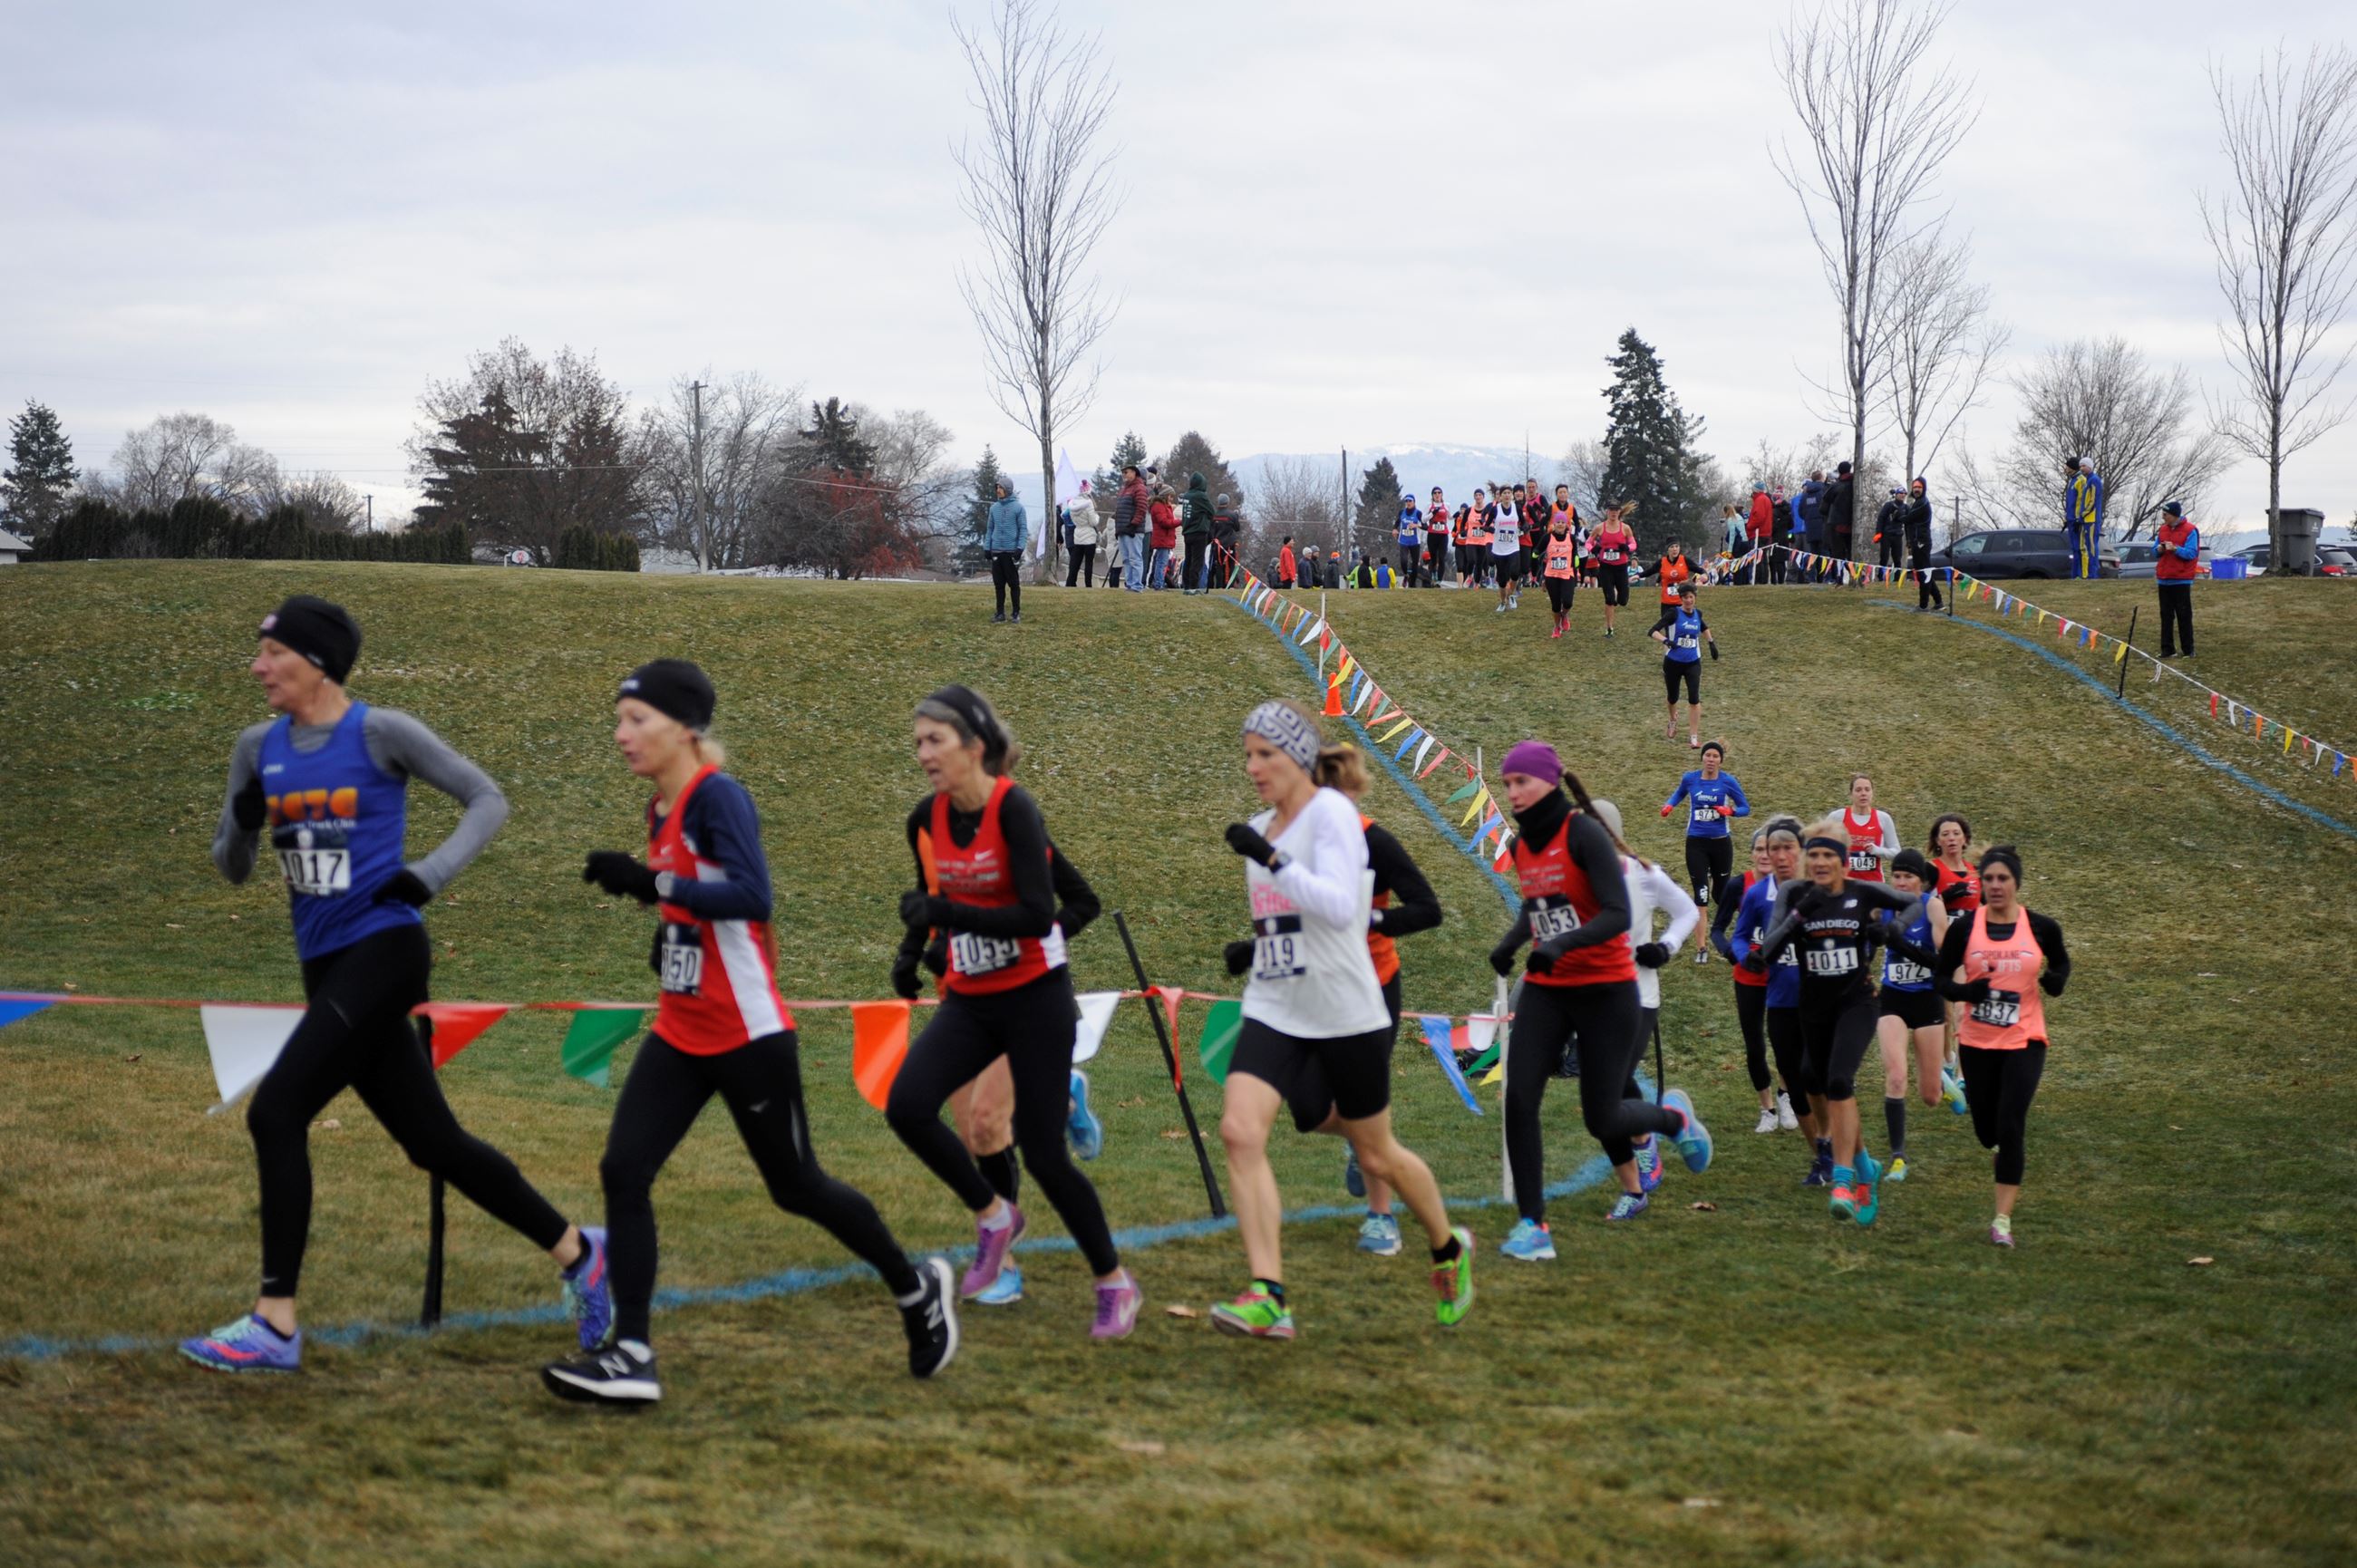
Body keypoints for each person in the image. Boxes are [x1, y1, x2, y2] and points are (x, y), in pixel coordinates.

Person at [183, 595, 611, 1377]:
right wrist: (243, 821)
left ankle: (275, 1323)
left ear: (315, 661)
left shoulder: (381, 733)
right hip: (324, 966)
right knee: (433, 1143)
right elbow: (231, 867)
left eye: (271, 652)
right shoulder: (257, 747)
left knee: (277, 1111)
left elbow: (488, 799)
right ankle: (582, 1254)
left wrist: (429, 875)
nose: (257, 667)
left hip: (384, 949)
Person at [546, 662, 955, 1401]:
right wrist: (664, 929)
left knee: (797, 1186)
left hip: (747, 1033)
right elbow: (691, 906)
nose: (621, 734)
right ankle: (630, 1352)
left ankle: (915, 1285)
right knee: (623, 1169)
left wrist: (653, 885)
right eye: (619, 719)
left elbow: (751, 895)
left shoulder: (716, 797)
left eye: (637, 720)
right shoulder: (659, 808)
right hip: (681, 1029)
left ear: (684, 729)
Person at [883, 686, 1141, 1335]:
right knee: (908, 1106)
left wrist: (946, 916)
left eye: (934, 741)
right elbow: (928, 889)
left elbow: (1034, 914)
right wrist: (911, 952)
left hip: (1034, 1000)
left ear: (973, 747)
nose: (922, 754)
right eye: (917, 742)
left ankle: (1113, 1280)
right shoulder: (926, 817)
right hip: (969, 1001)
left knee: (1043, 1155)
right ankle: (995, 1214)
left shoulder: (1014, 810)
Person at [1212, 701, 1474, 1337]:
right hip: (1277, 1002)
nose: (1253, 767)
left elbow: (1338, 910)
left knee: (1377, 1154)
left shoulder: (1332, 815)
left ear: (1299, 755)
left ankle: (1446, 1247)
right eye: (1247, 754)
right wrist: (1256, 948)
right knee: (1240, 1132)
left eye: (1265, 754)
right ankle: (1268, 1293)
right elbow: (1289, 920)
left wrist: (1273, 861)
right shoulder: (1259, 827)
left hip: (1346, 1006)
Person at [1489, 741, 1712, 1254]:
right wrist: (1511, 943)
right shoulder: (1524, 846)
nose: (1512, 792)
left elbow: (1614, 913)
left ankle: (1674, 1121)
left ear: (1548, 781)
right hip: (1550, 988)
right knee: (1520, 1098)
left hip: (1608, 991)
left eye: (1521, 781)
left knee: (1603, 1116)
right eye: (1506, 784)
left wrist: (1563, 943)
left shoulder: (1584, 834)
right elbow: (1537, 907)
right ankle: (1533, 1227)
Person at [1222, 762, 1443, 1257]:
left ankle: (1381, 1217)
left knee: (1365, 1130)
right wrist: (1252, 950)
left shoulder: (1372, 841)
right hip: (1304, 989)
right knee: (1309, 1111)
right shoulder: (1283, 843)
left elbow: (1429, 909)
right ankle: (1361, 1134)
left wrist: (1367, 918)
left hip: (1368, 989)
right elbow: (1293, 921)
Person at [1760, 817, 1926, 1226]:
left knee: (1838, 1081)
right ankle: (1865, 1162)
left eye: (1828, 852)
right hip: (1812, 1004)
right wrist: (1800, 916)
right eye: (1813, 852)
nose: (1819, 860)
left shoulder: (1861, 891)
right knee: (1814, 1080)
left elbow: (1914, 902)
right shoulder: (1794, 892)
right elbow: (1770, 939)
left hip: (1857, 1001)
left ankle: (1847, 1178)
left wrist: (1891, 930)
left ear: (1844, 859)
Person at [1923, 847, 2071, 1247]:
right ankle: (1999, 1151)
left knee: (2011, 1124)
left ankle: (2002, 1220)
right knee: (1987, 1131)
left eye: (2003, 879)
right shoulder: (1965, 928)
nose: (1995, 886)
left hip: (2025, 1037)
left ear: (2017, 883)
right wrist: (1965, 990)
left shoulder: (2040, 927)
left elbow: (2060, 963)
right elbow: (1939, 980)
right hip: (1977, 1040)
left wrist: (2056, 981)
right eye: (1988, 879)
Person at [1588, 798, 1699, 1206]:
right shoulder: (1576, 878)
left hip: (1638, 996)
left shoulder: (1642, 874)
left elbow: (1687, 912)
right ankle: (1637, 1169)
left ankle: (1649, 1140)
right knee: (1602, 1088)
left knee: (1611, 1083)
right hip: (1593, 999)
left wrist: (1665, 947)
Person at [1732, 818, 1823, 1173]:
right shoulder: (1757, 893)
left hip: (1817, 1000)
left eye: (1789, 849)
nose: (1782, 856)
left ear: (1800, 852)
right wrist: (1747, 958)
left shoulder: (1816, 888)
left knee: (1819, 1078)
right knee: (1796, 1082)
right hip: (1780, 999)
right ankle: (1821, 1155)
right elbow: (1739, 935)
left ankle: (1837, 1143)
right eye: (1774, 849)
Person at [1868, 848, 1952, 1187]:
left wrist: (1902, 945)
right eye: (1897, 876)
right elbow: (1866, 938)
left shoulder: (1933, 906)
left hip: (1928, 1001)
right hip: (1893, 1000)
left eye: (1908, 877)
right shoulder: (1884, 903)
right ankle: (1898, 1157)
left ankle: (1943, 1083)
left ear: (1922, 880)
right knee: (1897, 1077)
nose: (1901, 882)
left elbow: (1942, 962)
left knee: (1929, 1096)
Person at [1711, 831, 1791, 1133]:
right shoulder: (1739, 885)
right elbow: (1718, 929)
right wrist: (1733, 953)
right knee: (1755, 1044)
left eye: (1769, 850)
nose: (1764, 855)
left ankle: (1786, 1096)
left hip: (1783, 975)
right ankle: (1767, 1108)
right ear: (1752, 854)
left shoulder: (1790, 885)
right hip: (1748, 977)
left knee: (1786, 1041)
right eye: (1758, 849)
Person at [1661, 740, 1750, 921]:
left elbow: (1745, 808)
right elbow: (1679, 793)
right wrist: (1670, 805)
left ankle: (1747, 918)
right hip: (1696, 842)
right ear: (1702, 758)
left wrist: (1731, 811)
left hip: (1720, 843)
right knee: (1701, 893)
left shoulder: (1728, 781)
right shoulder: (1690, 779)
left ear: (1720, 761)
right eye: (1707, 755)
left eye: (1715, 756)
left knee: (1720, 894)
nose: (1711, 759)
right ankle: (1702, 947)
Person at [1926, 814, 1979, 1111]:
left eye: (1956, 833)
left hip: (1967, 947)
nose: (1950, 838)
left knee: (1962, 1011)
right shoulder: (1932, 870)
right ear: (1937, 840)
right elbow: (1920, 903)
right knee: (1943, 1014)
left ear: (1965, 839)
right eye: (1944, 834)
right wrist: (1945, 897)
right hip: (1939, 944)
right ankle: (1946, 1061)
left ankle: (1961, 1077)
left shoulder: (1975, 872)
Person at [1649, 584, 1718, 749]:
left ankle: (1694, 737)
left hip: (1693, 662)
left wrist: (1711, 643)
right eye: (1685, 597)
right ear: (1681, 599)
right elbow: (1652, 631)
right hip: (1673, 662)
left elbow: (1703, 626)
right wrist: (1666, 641)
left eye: (1691, 597)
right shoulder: (1673, 613)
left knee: (1694, 698)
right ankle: (1673, 720)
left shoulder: (1697, 614)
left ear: (1695, 598)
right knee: (1673, 697)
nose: (1688, 600)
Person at [2156, 498, 2198, 657]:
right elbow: (2155, 550)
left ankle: (2188, 650)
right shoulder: (2162, 530)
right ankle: (2167, 650)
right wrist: (2159, 549)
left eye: (2165, 514)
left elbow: (2192, 553)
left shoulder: (2190, 530)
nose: (2163, 517)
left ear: (2174, 515)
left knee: (2184, 615)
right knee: (2166, 616)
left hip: (2181, 579)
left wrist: (2175, 549)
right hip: (2164, 579)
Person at [1838, 774, 1898, 884]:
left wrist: (1878, 851)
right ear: (1851, 794)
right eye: (1858, 790)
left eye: (1867, 789)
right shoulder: (1838, 817)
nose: (1863, 793)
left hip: (1874, 886)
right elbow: (1822, 846)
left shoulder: (1883, 818)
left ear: (1872, 793)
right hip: (1845, 885)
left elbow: (1897, 852)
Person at [985, 479, 1027, 624]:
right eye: (997, 487)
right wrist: (987, 547)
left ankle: (1016, 613)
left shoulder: (1018, 508)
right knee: (998, 584)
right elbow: (990, 529)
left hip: (1011, 552)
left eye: (1000, 488)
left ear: (1007, 489)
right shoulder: (994, 508)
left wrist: (1020, 548)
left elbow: (1023, 530)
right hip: (996, 550)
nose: (998, 490)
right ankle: (1000, 613)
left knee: (1014, 584)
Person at [1592, 505, 1636, 636]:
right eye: (1611, 510)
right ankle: (1610, 628)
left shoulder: (1625, 528)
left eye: (1616, 510)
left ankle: (1619, 595)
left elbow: (1634, 544)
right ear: (1607, 511)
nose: (1613, 513)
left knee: (1623, 601)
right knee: (1610, 599)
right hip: (1605, 567)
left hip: (1621, 567)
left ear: (1619, 512)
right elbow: (1589, 542)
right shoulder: (1600, 527)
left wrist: (1627, 548)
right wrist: (1594, 549)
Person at [1540, 504, 1580, 638]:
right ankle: (1557, 627)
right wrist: (1535, 556)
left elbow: (1575, 552)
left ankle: (1564, 615)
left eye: (1563, 522)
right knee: (1555, 604)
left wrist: (1576, 559)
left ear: (1567, 524)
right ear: (1554, 524)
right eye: (1558, 522)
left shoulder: (1572, 538)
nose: (1561, 524)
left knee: (1568, 601)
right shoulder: (1548, 537)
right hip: (1551, 575)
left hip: (1567, 574)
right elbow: (1538, 551)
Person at [1902, 478, 1942, 610]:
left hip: (1922, 542)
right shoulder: (1917, 502)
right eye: (1915, 487)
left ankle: (1923, 606)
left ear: (1923, 488)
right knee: (1926, 572)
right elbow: (1910, 522)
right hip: (1917, 542)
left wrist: (1896, 517)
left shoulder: (1923, 503)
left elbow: (1908, 519)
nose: (1917, 489)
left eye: (1919, 487)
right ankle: (1938, 601)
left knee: (1923, 573)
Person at [2064, 456, 2104, 580]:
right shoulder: (2085, 480)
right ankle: (2081, 575)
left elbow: (2092, 502)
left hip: (2090, 519)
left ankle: (2090, 574)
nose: (2082, 468)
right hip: (2081, 519)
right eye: (2080, 466)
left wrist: (2080, 516)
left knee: (2090, 547)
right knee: (2080, 548)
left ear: (2090, 466)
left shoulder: (2093, 480)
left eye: (2084, 466)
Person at [1644, 537, 1694, 634]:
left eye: (1677, 546)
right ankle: (1668, 649)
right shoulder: (1662, 562)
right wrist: (1638, 576)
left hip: (1682, 602)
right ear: (1668, 549)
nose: (1675, 549)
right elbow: (1650, 571)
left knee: (1683, 630)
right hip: (1667, 603)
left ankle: (1683, 649)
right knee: (1669, 632)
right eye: (1672, 547)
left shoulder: (1684, 560)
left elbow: (1698, 570)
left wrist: (1704, 575)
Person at [1113, 462, 1150, 592]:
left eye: (1126, 472)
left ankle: (1136, 585)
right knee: (1127, 559)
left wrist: (1133, 524)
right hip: (1123, 529)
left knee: (1135, 558)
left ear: (1135, 473)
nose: (1124, 474)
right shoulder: (1125, 489)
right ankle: (1129, 584)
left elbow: (1141, 508)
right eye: (1123, 472)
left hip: (1133, 530)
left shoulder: (1139, 488)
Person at [1488, 486, 1522, 611]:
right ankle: (1503, 602)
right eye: (1504, 493)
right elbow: (1486, 525)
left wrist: (1524, 529)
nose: (1507, 495)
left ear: (1511, 495)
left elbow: (1524, 523)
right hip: (1499, 549)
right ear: (1500, 496)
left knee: (1515, 573)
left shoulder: (1516, 508)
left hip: (1513, 547)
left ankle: (1511, 594)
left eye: (1509, 493)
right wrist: (1491, 529)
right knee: (1502, 581)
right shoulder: (1495, 509)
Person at [1179, 472, 1216, 594]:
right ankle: (1193, 587)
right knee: (1197, 561)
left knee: (1188, 559)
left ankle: (1186, 586)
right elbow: (1212, 511)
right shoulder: (1201, 496)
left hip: (1187, 532)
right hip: (1199, 532)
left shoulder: (1187, 495)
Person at [1146, 482, 1179, 592]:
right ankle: (1158, 584)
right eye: (1170, 496)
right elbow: (1164, 522)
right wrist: (1179, 522)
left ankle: (1157, 582)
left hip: (1164, 538)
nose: (1172, 499)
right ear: (1165, 496)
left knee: (1160, 561)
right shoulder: (1158, 506)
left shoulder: (1163, 506)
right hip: (1162, 538)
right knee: (1161, 562)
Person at [1065, 481, 1100, 588]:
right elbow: (1093, 522)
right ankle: (1088, 584)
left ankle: (1070, 582)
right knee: (1089, 563)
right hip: (1089, 536)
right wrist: (1097, 517)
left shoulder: (1073, 504)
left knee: (1075, 562)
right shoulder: (1088, 503)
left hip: (1078, 535)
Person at [1826, 460, 1857, 576]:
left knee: (1838, 554)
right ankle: (1855, 574)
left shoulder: (1836, 486)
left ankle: (1840, 577)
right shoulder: (1855, 484)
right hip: (1851, 524)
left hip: (1837, 524)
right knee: (1850, 553)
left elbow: (1826, 500)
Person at [1211, 492, 1242, 589]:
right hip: (1230, 544)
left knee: (1219, 565)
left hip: (1218, 544)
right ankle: (1230, 585)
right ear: (1227, 502)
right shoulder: (1232, 515)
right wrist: (1237, 517)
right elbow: (1237, 528)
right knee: (1231, 564)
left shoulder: (1214, 514)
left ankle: (1219, 586)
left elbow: (1211, 529)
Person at [1395, 494, 1425, 588]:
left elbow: (1426, 526)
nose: (1408, 503)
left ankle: (1412, 586)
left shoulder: (1418, 513)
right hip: (1403, 541)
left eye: (1410, 501)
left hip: (1415, 542)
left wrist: (1417, 525)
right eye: (1406, 501)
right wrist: (1394, 529)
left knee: (1415, 564)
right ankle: (1406, 575)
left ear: (1414, 502)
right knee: (1403, 561)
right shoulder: (1401, 512)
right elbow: (1397, 523)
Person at [1464, 488, 1492, 588]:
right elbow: (1463, 522)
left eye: (1480, 495)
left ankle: (1476, 584)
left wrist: (1487, 527)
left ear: (1483, 497)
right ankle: (1469, 576)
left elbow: (1491, 522)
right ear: (1474, 497)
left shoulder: (1488, 510)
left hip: (1483, 540)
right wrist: (1463, 530)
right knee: (1471, 560)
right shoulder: (1469, 510)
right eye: (1476, 495)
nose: (1478, 497)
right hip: (1471, 539)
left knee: (1479, 563)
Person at [1425, 487, 1452, 586]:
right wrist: (1432, 514)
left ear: (1442, 494)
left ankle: (1439, 580)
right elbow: (1423, 519)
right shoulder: (1429, 505)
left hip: (1443, 535)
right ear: (1432, 495)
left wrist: (1458, 515)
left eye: (1439, 492)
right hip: (1432, 534)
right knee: (1433, 557)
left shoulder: (1446, 505)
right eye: (1435, 493)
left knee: (1441, 557)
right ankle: (1433, 574)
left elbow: (1450, 517)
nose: (1437, 494)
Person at [1746, 485, 1772, 584]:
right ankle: (1763, 580)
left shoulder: (1760, 500)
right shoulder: (1766, 499)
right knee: (1763, 559)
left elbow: (1759, 517)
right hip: (1765, 533)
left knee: (1758, 560)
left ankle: (1757, 580)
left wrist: (1749, 526)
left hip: (1758, 534)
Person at [1875, 487, 1905, 569]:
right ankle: (1881, 577)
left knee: (1897, 558)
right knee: (1884, 557)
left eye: (1904, 493)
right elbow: (1881, 518)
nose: (1902, 495)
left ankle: (1897, 578)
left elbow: (1909, 522)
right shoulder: (1888, 505)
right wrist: (1878, 532)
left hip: (1898, 535)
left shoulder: (1905, 507)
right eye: (1900, 493)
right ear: (1896, 494)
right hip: (1886, 535)